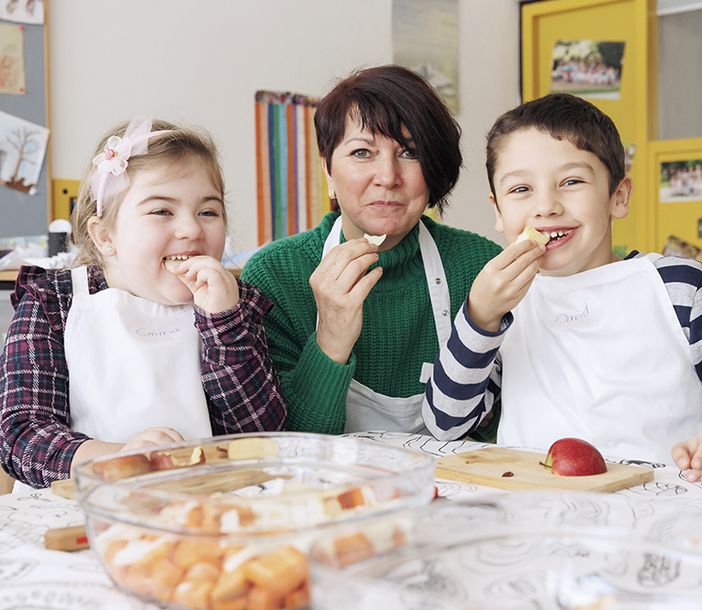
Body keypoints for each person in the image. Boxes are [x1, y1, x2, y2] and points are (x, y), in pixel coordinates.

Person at [423, 93, 702, 478]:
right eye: (521, 189)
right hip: (534, 516)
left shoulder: (678, 286)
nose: (546, 206)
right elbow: (446, 425)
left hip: (664, 514)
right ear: (498, 212)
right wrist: (480, 317)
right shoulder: (505, 303)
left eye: (571, 181)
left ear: (617, 197)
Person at [0, 117, 286, 488]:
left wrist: (224, 325)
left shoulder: (232, 306)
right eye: (162, 211)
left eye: (208, 212)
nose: (192, 229)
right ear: (104, 236)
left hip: (200, 509)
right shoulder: (53, 303)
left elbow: (262, 436)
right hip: (80, 512)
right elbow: (21, 437)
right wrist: (120, 459)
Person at [241, 65, 501, 435]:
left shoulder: (480, 266)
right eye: (363, 153)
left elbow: (503, 428)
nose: (388, 176)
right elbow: (288, 444)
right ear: (328, 170)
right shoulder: (275, 275)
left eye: (410, 153)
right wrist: (330, 338)